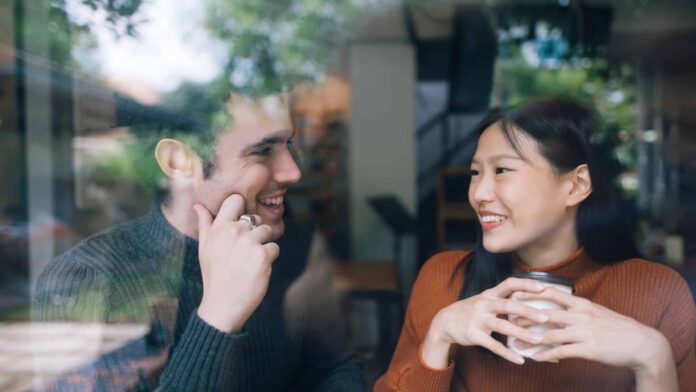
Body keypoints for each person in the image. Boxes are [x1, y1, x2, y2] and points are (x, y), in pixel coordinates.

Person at [33, 93, 366, 391]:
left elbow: (335, 366)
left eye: (288, 145)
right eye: (264, 151)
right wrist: (218, 314)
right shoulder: (83, 279)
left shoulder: (292, 247)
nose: (293, 171)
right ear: (179, 162)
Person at [375, 96, 696, 391]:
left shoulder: (657, 292)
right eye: (475, 173)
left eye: (502, 170)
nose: (480, 193)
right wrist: (439, 336)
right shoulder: (442, 278)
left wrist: (653, 357)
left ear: (576, 185)